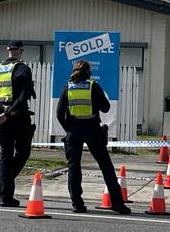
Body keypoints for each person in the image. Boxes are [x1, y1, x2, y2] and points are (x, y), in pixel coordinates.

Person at [56, 60, 131, 214]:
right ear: (88, 72)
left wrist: (69, 129)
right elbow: (106, 108)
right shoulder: (93, 86)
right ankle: (117, 203)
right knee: (106, 166)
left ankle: (77, 204)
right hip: (92, 129)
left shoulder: (66, 88)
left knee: (73, 167)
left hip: (74, 131)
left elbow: (59, 114)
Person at [0, 40, 36, 207]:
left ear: (8, 51)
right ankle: (0, 188)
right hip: (19, 118)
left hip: (1, 119)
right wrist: (9, 112)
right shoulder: (23, 69)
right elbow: (23, 96)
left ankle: (5, 196)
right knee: (23, 153)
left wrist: (3, 111)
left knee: (5, 155)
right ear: (21, 51)